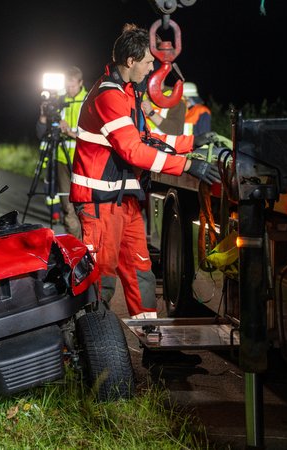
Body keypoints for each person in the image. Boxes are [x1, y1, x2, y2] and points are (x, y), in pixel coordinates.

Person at [70, 24, 220, 319]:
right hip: (100, 203)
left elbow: (147, 138)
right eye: (149, 62)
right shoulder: (108, 96)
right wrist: (189, 165)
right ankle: (97, 352)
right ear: (131, 61)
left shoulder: (127, 94)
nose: (153, 68)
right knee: (102, 278)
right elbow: (133, 151)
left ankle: (153, 345)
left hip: (124, 200)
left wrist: (192, 142)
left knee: (141, 272)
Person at [36, 66, 86, 237]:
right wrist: (44, 115)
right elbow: (41, 132)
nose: (70, 89)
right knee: (67, 204)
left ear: (80, 83)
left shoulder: (87, 101)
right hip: (62, 161)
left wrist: (70, 132)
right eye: (67, 85)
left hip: (83, 160)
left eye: (73, 85)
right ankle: (75, 246)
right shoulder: (58, 100)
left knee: (85, 206)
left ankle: (88, 245)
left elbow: (96, 133)